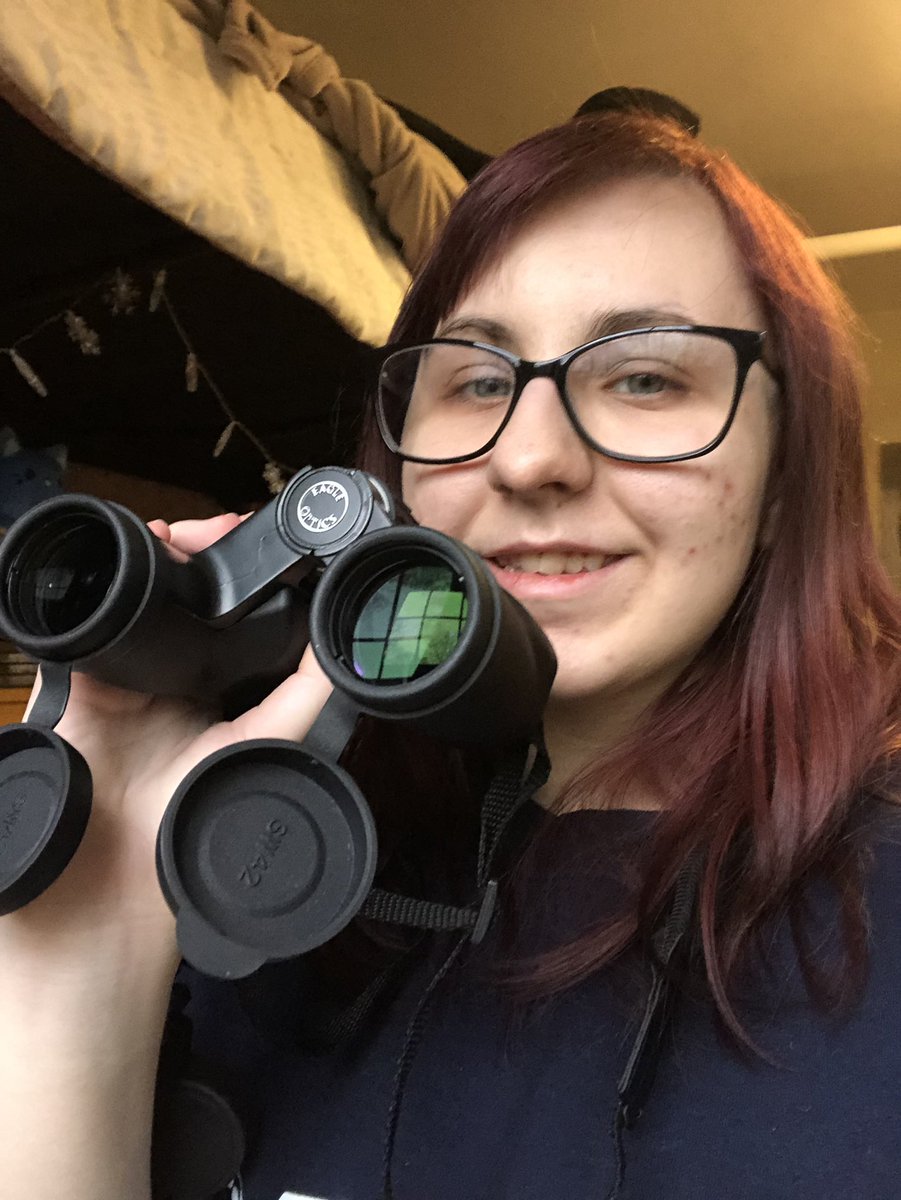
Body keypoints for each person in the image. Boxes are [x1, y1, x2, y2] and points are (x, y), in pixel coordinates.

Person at [2, 107, 899, 1200]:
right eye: (475, 381)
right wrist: (90, 927)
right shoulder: (268, 859)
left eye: (645, 378)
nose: (528, 458)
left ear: (782, 482)